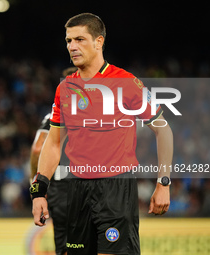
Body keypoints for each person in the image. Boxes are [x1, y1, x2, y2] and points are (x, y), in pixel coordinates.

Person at [30, 13, 173, 255]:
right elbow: (53, 144)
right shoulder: (65, 88)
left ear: (99, 42)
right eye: (68, 41)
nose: (72, 46)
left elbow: (164, 131)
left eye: (79, 39)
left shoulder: (127, 83)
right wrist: (38, 192)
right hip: (76, 190)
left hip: (116, 188)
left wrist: (164, 182)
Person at [30, 67, 77, 255]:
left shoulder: (51, 117)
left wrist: (37, 183)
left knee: (63, 245)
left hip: (58, 187)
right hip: (85, 184)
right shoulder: (93, 115)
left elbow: (37, 149)